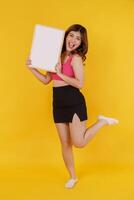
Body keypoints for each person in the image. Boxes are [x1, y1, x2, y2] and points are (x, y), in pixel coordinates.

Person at [26, 24, 119, 189]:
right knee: (65, 143)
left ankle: (102, 122)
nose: (73, 40)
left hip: (74, 101)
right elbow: (47, 80)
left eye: (78, 38)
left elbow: (80, 83)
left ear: (81, 43)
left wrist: (61, 74)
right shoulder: (54, 55)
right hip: (58, 103)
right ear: (65, 36)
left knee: (79, 142)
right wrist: (32, 68)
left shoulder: (75, 58)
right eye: (72, 35)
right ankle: (73, 177)